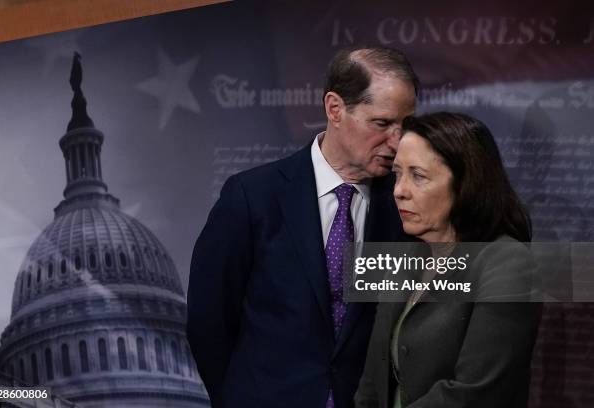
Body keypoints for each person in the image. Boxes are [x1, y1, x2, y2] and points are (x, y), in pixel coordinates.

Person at [187, 47, 418, 408]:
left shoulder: (406, 210)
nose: (397, 141)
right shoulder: (252, 196)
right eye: (382, 123)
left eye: (405, 126)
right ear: (335, 108)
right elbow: (209, 320)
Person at [354, 112, 542, 408]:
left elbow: (476, 393)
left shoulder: (507, 263)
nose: (399, 191)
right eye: (398, 174)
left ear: (466, 183)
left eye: (418, 176)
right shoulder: (403, 257)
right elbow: (372, 381)